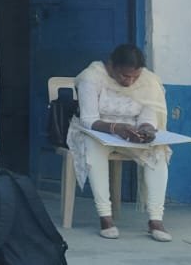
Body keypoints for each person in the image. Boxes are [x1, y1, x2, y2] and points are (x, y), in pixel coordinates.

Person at [68, 44, 172, 242]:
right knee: (94, 146)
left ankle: (156, 220)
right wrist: (117, 128)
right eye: (125, 75)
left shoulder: (149, 81)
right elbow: (88, 120)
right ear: (111, 66)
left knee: (158, 151)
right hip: (95, 131)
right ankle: (105, 217)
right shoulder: (92, 77)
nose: (130, 81)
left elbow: (148, 116)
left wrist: (146, 130)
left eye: (135, 76)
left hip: (130, 134)